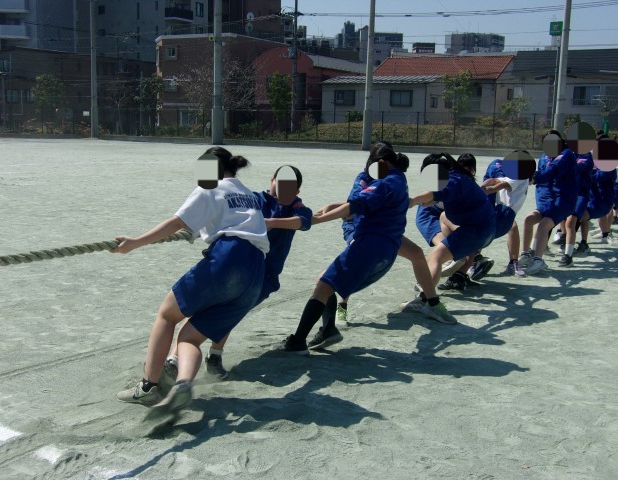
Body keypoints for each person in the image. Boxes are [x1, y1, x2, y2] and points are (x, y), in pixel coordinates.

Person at [113, 147, 269, 417]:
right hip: (255, 274)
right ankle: (183, 384)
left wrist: (135, 243)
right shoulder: (249, 195)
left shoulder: (210, 187)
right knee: (189, 338)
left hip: (229, 258)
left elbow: (177, 222)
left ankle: (149, 386)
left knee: (167, 314)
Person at [163, 165, 312, 379]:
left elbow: (302, 222)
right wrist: (194, 229)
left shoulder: (297, 207)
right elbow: (224, 210)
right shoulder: (254, 199)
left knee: (228, 314)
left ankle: (214, 356)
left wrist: (271, 222)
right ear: (271, 180)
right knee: (207, 310)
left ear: (297, 191)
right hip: (236, 265)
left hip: (264, 276)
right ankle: (175, 359)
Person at [273, 143, 409, 354]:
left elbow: (352, 206)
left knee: (322, 287)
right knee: (326, 279)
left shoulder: (385, 182)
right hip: (387, 251)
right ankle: (328, 330)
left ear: (381, 163)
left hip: (369, 246)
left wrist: (315, 220)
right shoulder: (399, 179)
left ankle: (297, 342)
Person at [409, 153, 496, 292]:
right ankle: (458, 254)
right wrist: (430, 200)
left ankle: (427, 298)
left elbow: (432, 194)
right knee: (443, 216)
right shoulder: (458, 177)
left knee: (434, 257)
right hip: (485, 229)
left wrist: (411, 201)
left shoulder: (452, 181)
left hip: (476, 231)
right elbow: (439, 196)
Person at [520, 130, 577, 275]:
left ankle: (538, 260)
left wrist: (533, 179)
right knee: (528, 220)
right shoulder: (544, 157)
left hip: (563, 201)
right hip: (547, 201)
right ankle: (526, 255)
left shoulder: (566, 155)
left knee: (543, 226)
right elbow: (540, 175)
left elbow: (552, 171)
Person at [479, 153, 532, 277]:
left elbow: (494, 181)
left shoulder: (515, 174)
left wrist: (482, 188)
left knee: (489, 232)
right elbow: (499, 183)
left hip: (502, 207)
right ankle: (472, 259)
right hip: (502, 209)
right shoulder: (517, 175)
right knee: (484, 233)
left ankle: (512, 262)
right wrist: (486, 190)